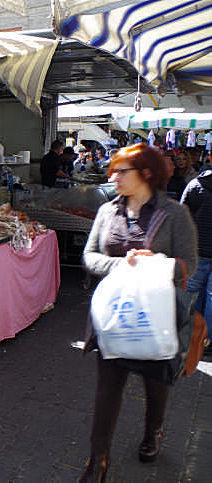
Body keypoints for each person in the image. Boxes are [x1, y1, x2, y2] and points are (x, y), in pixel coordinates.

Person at [79, 143, 198, 482]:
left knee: (155, 383)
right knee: (107, 388)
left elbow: (190, 263)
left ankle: (153, 432)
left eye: (121, 171)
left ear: (146, 173)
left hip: (156, 317)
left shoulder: (175, 213)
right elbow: (89, 258)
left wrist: (156, 265)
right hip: (114, 317)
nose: (112, 176)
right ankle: (98, 460)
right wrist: (122, 263)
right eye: (112, 170)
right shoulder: (107, 212)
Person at [181, 151, 212, 350]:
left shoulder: (195, 185)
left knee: (193, 294)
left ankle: (192, 338)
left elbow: (182, 218)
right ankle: (207, 341)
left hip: (197, 249)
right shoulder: (194, 184)